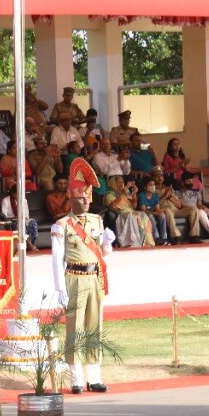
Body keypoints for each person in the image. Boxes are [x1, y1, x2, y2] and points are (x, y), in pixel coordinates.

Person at [52, 158, 116, 393]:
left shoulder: (97, 221)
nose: (87, 201)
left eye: (88, 196)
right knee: (74, 328)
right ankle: (76, 378)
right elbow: (57, 259)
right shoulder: (62, 225)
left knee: (94, 326)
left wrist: (108, 243)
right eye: (81, 197)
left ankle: (95, 376)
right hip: (74, 277)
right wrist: (60, 288)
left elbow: (103, 253)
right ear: (72, 198)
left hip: (94, 278)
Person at [103, 175, 154, 247]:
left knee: (143, 215)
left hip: (131, 212)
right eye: (119, 182)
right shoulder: (110, 194)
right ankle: (132, 242)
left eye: (122, 182)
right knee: (132, 216)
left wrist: (134, 194)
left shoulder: (126, 192)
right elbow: (112, 206)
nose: (121, 184)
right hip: (121, 213)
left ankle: (145, 241)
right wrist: (121, 194)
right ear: (114, 184)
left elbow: (134, 206)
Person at [177, 172, 209, 241]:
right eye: (188, 181)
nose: (191, 183)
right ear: (183, 182)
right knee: (201, 212)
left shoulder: (196, 192)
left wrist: (202, 206)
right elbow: (181, 205)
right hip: (190, 211)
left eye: (192, 181)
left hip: (198, 208)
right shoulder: (178, 193)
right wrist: (196, 208)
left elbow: (199, 204)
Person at [137, 176, 179, 245]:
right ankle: (157, 238)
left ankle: (164, 238)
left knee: (162, 216)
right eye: (150, 185)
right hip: (144, 215)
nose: (153, 186)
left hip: (152, 213)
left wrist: (160, 212)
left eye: (154, 184)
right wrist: (155, 213)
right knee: (150, 216)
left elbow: (157, 209)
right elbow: (144, 211)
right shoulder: (141, 195)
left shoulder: (155, 196)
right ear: (145, 187)